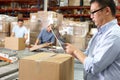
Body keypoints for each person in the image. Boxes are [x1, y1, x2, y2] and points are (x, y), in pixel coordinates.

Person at [65, 0, 120, 80]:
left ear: (107, 11)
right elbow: (88, 55)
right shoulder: (99, 33)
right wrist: (73, 53)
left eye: (93, 12)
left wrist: (75, 51)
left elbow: (94, 66)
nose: (91, 17)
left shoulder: (114, 35)